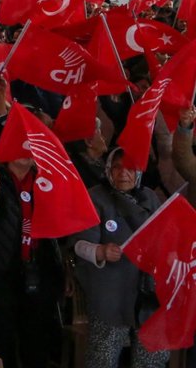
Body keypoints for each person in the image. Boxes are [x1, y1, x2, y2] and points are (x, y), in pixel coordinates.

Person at [70, 149, 169, 368]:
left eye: (130, 168)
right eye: (116, 167)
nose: (123, 173)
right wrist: (101, 251)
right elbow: (79, 245)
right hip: (110, 293)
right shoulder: (95, 197)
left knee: (152, 356)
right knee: (102, 359)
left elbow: (165, 237)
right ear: (108, 170)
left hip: (148, 293)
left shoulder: (149, 197)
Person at [0, 150, 66, 368]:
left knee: (36, 342)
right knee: (4, 339)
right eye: (19, 146)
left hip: (38, 268)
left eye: (30, 148)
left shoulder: (43, 179)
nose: (25, 152)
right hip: (4, 270)